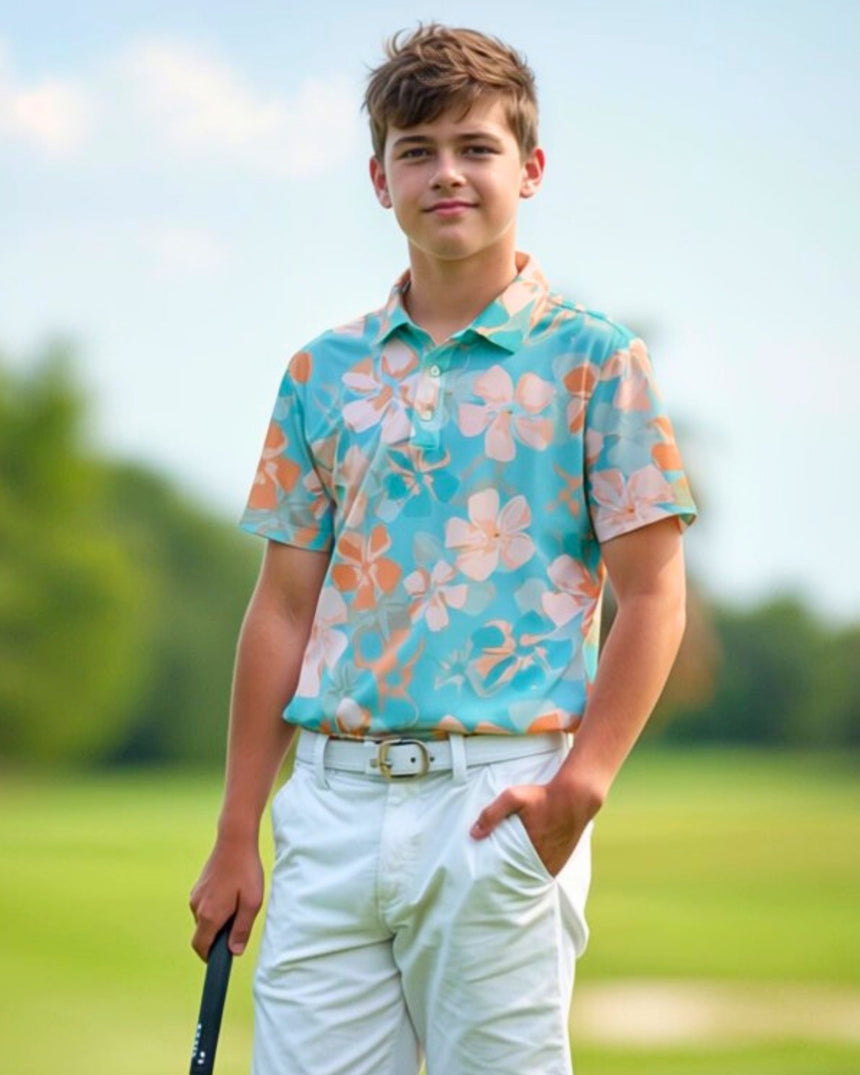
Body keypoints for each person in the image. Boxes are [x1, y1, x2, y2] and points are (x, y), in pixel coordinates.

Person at [190, 23, 697, 1075]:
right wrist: (238, 827)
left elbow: (652, 598)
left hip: (497, 804)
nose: (446, 173)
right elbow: (280, 608)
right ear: (379, 179)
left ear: (530, 168)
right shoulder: (319, 371)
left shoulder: (596, 361)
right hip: (327, 807)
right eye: (415, 150)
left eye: (475, 146)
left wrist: (579, 789)